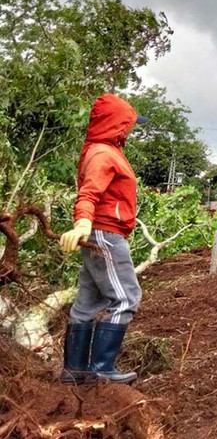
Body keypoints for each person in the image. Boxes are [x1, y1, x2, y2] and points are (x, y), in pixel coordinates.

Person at [59, 94, 148, 384]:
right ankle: (101, 370)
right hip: (105, 234)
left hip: (100, 233)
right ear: (117, 124)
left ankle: (74, 372)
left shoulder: (102, 150)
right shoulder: (103, 154)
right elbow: (89, 193)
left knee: (87, 303)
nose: (130, 131)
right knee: (126, 297)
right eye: (128, 125)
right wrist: (83, 222)